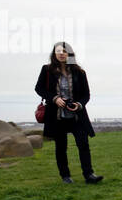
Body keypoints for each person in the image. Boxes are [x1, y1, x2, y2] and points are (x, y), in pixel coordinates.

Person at [34, 42, 101, 184]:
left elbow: (86, 95)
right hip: (57, 116)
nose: (61, 53)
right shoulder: (47, 70)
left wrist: (79, 104)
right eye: (58, 51)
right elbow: (39, 89)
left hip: (77, 115)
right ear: (54, 54)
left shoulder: (79, 72)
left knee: (83, 144)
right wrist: (54, 98)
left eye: (64, 51)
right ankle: (65, 176)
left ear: (69, 54)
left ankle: (89, 175)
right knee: (61, 147)